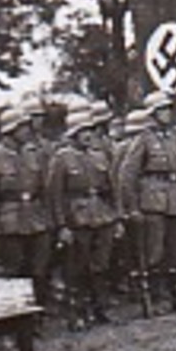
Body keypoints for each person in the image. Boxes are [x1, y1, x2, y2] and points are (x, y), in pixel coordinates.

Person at [47, 104, 120, 328]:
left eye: (90, 130)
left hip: (101, 215)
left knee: (101, 265)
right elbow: (55, 195)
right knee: (76, 268)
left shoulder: (99, 156)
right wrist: (62, 226)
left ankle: (100, 308)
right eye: (83, 131)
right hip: (76, 218)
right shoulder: (61, 158)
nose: (88, 135)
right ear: (73, 134)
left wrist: (116, 218)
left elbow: (111, 189)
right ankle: (76, 312)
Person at [118, 90, 176, 314]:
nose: (167, 114)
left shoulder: (174, 137)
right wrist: (132, 207)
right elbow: (127, 175)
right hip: (152, 200)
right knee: (154, 253)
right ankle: (154, 300)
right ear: (153, 114)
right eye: (162, 110)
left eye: (168, 109)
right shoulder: (143, 139)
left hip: (175, 198)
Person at [0, 105, 53, 306]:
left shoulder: (34, 153)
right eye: (22, 127)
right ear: (10, 131)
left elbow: (45, 190)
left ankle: (37, 316)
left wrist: (49, 220)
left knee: (39, 269)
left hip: (36, 220)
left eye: (27, 126)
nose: (27, 130)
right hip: (10, 223)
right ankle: (16, 319)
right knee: (14, 272)